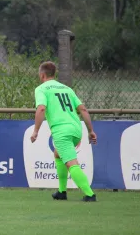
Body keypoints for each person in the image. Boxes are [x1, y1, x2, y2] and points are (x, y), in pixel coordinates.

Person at [30, 61, 97, 202]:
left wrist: (36, 131)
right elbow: (83, 109)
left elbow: (41, 108)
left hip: (62, 131)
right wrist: (90, 131)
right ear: (54, 74)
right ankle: (62, 192)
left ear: (42, 75)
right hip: (76, 128)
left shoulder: (41, 89)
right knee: (58, 154)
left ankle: (90, 194)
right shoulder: (67, 89)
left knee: (71, 163)